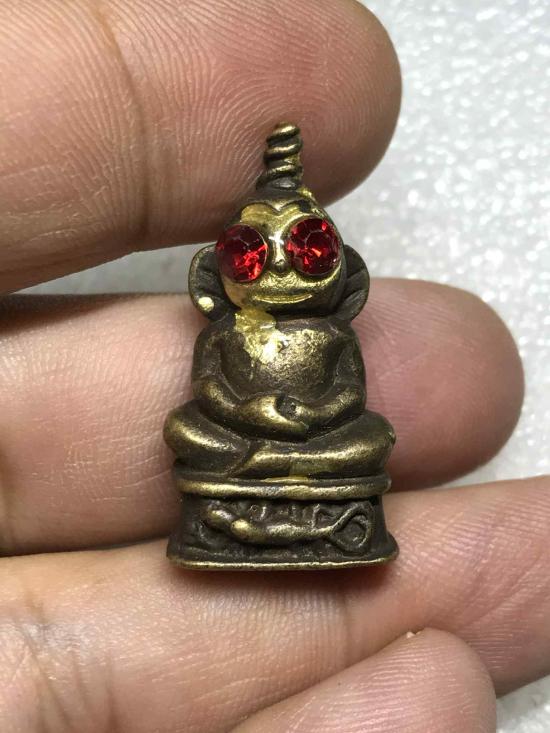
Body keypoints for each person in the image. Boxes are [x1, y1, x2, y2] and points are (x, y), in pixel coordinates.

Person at [0, 1, 546, 731]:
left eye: (308, 252)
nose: (284, 270)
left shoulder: (334, 335)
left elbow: (349, 397)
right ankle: (250, 506)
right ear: (216, 274)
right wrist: (249, 413)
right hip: (241, 434)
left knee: (371, 436)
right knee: (186, 428)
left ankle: (294, 501)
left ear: (340, 272)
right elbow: (207, 392)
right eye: (256, 256)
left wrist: (312, 416)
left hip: (313, 441)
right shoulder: (225, 334)